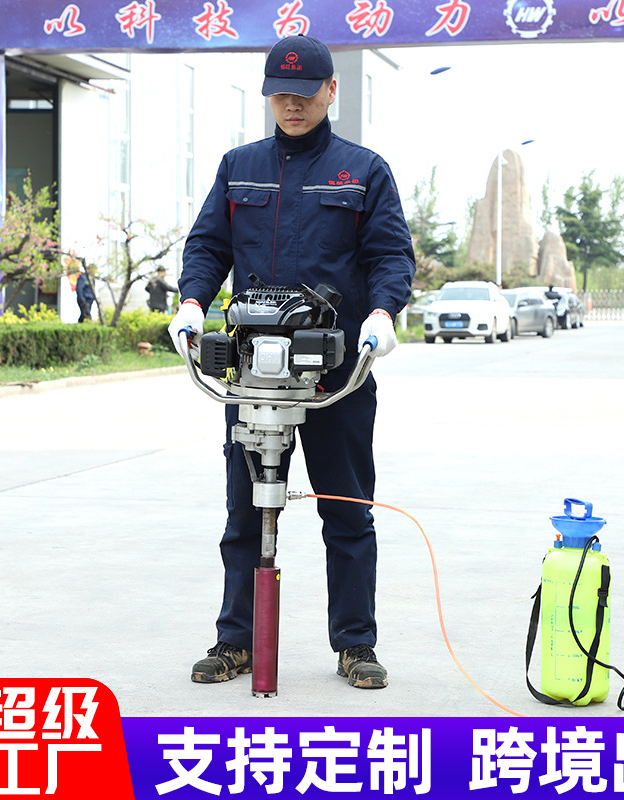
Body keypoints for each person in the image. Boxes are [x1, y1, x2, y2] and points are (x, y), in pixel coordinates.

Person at [168, 35, 415, 690]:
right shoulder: (238, 167)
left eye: (304, 95)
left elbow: (391, 256)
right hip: (254, 373)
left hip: (336, 371)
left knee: (347, 511)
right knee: (245, 512)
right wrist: (192, 302)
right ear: (268, 96)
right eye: (281, 95)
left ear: (331, 92)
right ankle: (236, 642)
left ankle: (355, 644)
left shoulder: (362, 170)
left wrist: (383, 315)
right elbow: (207, 245)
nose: (293, 106)